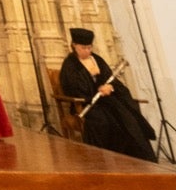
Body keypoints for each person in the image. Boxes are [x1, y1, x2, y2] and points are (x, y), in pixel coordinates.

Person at [60, 26, 156, 162]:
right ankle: (105, 161)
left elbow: (111, 79)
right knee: (102, 121)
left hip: (107, 101)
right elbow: (71, 87)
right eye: (83, 48)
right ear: (74, 46)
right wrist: (96, 90)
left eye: (89, 47)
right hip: (88, 104)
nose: (87, 51)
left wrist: (110, 87)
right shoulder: (70, 64)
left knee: (128, 117)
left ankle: (137, 160)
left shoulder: (97, 59)